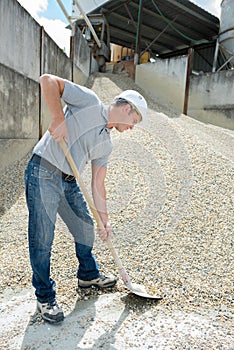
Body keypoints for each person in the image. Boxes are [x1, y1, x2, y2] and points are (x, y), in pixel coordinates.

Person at [24, 74, 147, 324]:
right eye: (134, 120)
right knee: (42, 237)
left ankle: (88, 274)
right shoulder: (88, 102)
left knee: (85, 227)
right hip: (43, 171)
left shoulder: (106, 143)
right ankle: (45, 296)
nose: (132, 127)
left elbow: (98, 184)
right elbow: (48, 81)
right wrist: (58, 118)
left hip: (69, 181)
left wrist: (105, 219)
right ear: (126, 108)